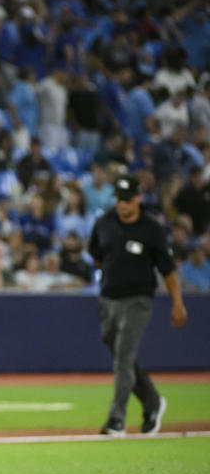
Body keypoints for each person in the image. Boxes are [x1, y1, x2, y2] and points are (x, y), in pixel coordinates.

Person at [88, 173, 187, 436]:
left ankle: (116, 419)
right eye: (119, 199)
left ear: (138, 199)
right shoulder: (104, 223)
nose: (123, 205)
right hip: (108, 298)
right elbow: (96, 255)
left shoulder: (152, 230)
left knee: (123, 356)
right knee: (120, 353)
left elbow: (167, 271)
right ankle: (152, 402)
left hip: (138, 300)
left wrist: (178, 304)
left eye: (128, 200)